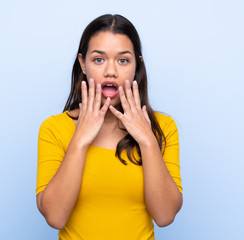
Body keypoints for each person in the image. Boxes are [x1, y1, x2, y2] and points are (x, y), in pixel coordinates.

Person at [35, 14, 183, 240]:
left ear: (137, 65)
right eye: (98, 60)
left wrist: (146, 140)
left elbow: (165, 217)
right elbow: (55, 217)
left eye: (123, 60)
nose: (111, 71)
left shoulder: (163, 127)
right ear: (83, 64)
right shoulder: (54, 128)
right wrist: (81, 139)